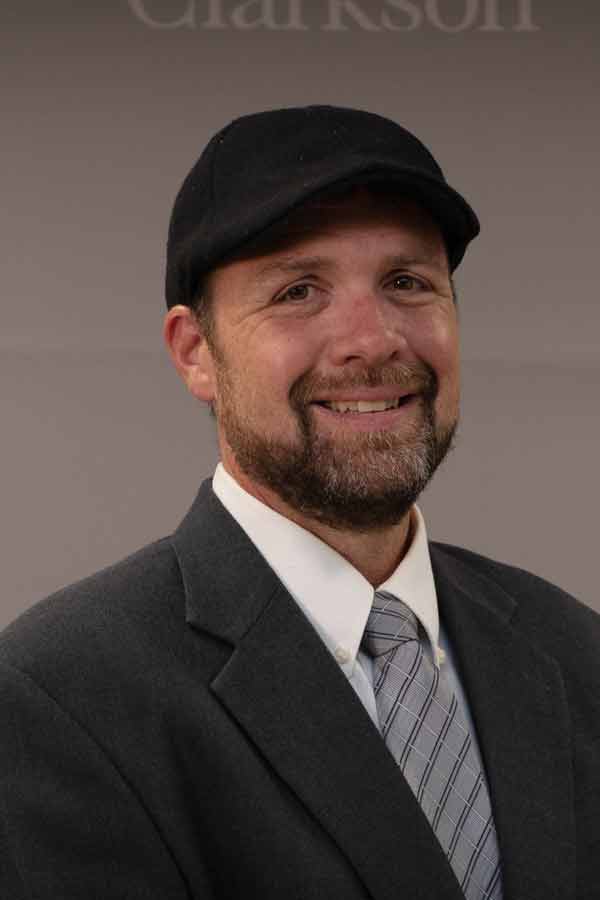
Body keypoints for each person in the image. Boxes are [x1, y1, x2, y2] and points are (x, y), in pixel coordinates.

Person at [1, 105, 598, 900]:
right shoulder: (61, 698)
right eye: (298, 291)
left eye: (407, 282)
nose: (373, 340)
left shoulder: (573, 651)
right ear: (196, 353)